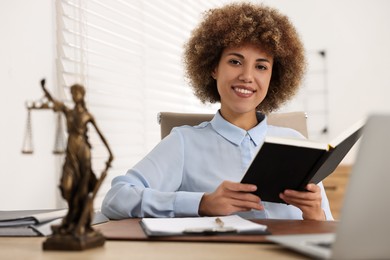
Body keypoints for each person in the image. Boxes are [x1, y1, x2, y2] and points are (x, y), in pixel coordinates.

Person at [102, 2, 333, 221]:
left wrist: (317, 216)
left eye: (261, 66)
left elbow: (330, 235)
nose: (247, 76)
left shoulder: (298, 145)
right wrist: (201, 203)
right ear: (214, 67)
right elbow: (116, 198)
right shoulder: (184, 142)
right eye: (235, 62)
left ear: (273, 77)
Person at [39, 80, 114, 237]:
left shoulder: (87, 115)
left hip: (83, 152)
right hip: (70, 150)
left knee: (82, 190)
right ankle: (72, 219)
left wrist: (110, 153)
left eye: (76, 93)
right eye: (72, 93)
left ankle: (78, 222)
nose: (73, 96)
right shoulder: (69, 112)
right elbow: (55, 102)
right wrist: (44, 89)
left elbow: (101, 135)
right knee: (66, 187)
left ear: (81, 95)